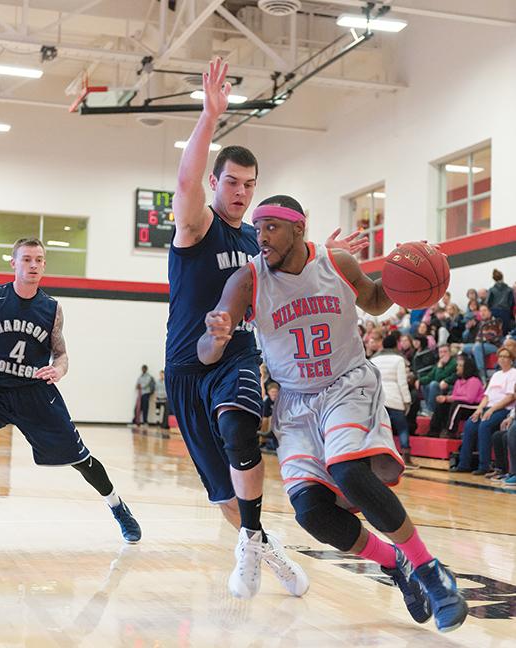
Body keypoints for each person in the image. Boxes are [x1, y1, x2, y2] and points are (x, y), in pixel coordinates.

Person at [198, 195, 469, 633]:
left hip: (347, 385)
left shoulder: (338, 263)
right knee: (311, 513)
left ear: (298, 229)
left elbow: (379, 301)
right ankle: (394, 561)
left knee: (348, 471)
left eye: (271, 227)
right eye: (258, 226)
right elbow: (206, 353)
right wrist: (217, 336)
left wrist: (414, 279)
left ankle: (428, 570)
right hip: (295, 403)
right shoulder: (246, 281)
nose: (261, 235)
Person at [164, 57, 367, 600]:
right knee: (222, 497)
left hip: (236, 357)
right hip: (186, 367)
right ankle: (263, 549)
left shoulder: (262, 244)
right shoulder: (197, 228)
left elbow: (304, 269)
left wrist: (331, 258)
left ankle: (257, 545)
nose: (241, 192)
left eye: (249, 185)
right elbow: (185, 180)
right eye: (231, 181)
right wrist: (209, 117)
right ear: (215, 181)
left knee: (239, 432)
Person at [0, 238, 141, 543]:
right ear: (12, 263)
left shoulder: (51, 308)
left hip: (35, 393)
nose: (33, 265)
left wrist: (58, 369)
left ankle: (118, 508)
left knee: (79, 458)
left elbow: (61, 353)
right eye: (26, 259)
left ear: (44, 265)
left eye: (38, 260)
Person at [451, 347, 516, 475]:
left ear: (511, 360)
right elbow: (486, 396)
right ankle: (464, 464)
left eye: (505, 357)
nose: (502, 359)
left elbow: (511, 397)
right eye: (500, 356)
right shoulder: (496, 375)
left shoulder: (513, 373)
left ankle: (484, 465)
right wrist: (479, 409)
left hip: (503, 409)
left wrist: (491, 409)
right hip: (488, 408)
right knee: (470, 425)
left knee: (484, 425)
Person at [370, 334, 418, 468]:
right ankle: (406, 459)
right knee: (402, 428)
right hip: (395, 399)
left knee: (380, 430)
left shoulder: (374, 359)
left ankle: (378, 460)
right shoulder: (399, 359)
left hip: (379, 400)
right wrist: (407, 401)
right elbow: (402, 382)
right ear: (395, 345)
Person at [428, 354, 483, 438]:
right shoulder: (458, 381)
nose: (457, 367)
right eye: (458, 365)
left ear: (467, 367)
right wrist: (446, 399)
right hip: (462, 406)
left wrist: (448, 398)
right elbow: (454, 396)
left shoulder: (474, 381)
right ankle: (434, 431)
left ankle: (450, 431)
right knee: (443, 404)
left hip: (474, 407)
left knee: (457, 404)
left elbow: (470, 399)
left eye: (460, 365)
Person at [462, 304, 504, 380]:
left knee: (477, 347)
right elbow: (478, 339)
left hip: (494, 346)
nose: (482, 313)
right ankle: (469, 373)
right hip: (481, 345)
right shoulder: (481, 323)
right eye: (481, 311)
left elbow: (491, 337)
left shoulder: (495, 321)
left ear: (489, 312)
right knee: (464, 348)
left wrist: (479, 341)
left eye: (484, 310)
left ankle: (482, 375)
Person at [416, 344, 457, 415]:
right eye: (441, 352)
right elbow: (430, 376)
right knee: (424, 385)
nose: (443, 354)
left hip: (450, 387)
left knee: (433, 384)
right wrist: (419, 381)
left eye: (445, 352)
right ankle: (428, 408)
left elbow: (439, 378)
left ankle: (430, 410)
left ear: (450, 352)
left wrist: (440, 367)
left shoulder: (453, 363)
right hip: (440, 386)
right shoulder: (440, 363)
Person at [487, 269, 514, 335]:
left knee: (496, 331)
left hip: (494, 311)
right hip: (506, 311)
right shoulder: (509, 289)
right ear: (502, 277)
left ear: (494, 279)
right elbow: (511, 302)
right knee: (505, 331)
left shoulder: (491, 289)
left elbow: (488, 302)